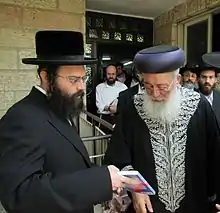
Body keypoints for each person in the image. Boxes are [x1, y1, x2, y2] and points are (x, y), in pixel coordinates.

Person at [0, 30, 132, 213]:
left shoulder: (59, 108)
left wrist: (107, 182)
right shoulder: (22, 118)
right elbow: (20, 195)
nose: (81, 87)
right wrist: (100, 181)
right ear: (46, 77)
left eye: (83, 78)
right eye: (73, 79)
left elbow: (67, 167)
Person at [104, 44, 220, 213]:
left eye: (162, 87)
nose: (155, 94)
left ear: (177, 81)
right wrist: (136, 189)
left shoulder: (199, 106)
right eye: (149, 86)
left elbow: (216, 157)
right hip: (148, 208)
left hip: (195, 205)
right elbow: (117, 159)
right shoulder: (133, 108)